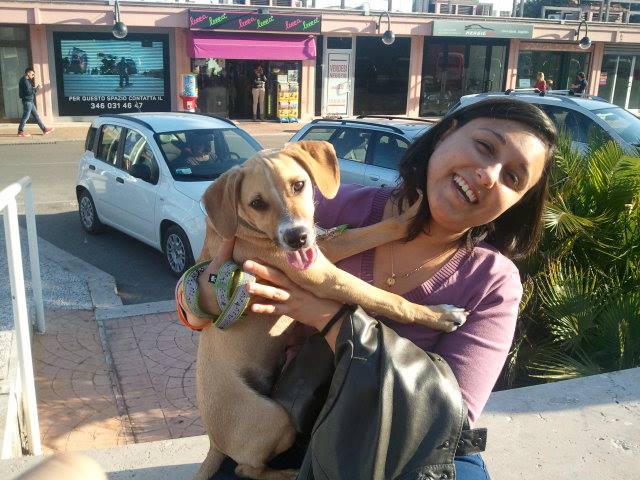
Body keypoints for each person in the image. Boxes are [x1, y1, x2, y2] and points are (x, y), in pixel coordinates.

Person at [186, 97, 558, 479]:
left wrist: (327, 317)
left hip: (410, 440)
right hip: (302, 414)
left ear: (519, 201)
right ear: (446, 134)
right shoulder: (339, 206)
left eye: (513, 177)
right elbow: (198, 291)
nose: (488, 175)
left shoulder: (493, 281)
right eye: (485, 146)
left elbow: (449, 415)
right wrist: (208, 296)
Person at [18, 67, 54, 138]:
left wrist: (34, 88)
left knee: (36, 116)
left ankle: (44, 129)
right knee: (25, 117)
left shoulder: (26, 80)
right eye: (32, 74)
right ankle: (20, 131)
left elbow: (29, 90)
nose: (33, 76)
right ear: (28, 73)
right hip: (27, 102)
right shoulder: (24, 81)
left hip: (30, 101)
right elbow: (29, 92)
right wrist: (37, 89)